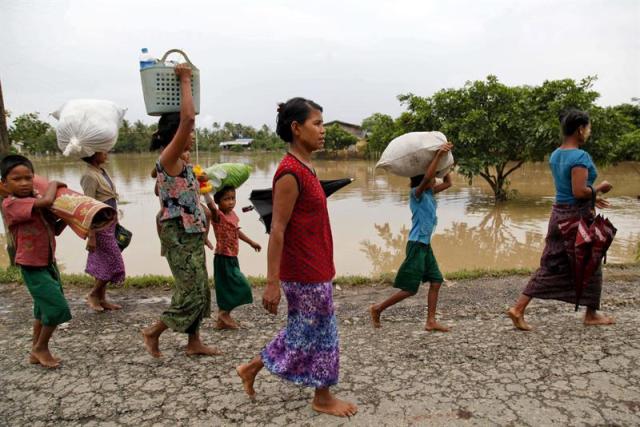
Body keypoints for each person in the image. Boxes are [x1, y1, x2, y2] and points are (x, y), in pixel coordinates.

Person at [235, 97, 357, 418]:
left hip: (315, 265)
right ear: (296, 127)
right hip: (303, 271)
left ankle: (250, 368)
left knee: (304, 330)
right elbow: (277, 229)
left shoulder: (306, 167)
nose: (323, 130)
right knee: (322, 332)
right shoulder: (289, 173)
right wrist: (271, 283)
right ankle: (322, 396)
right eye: (316, 123)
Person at [507, 109, 615, 330]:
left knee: (554, 264)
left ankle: (520, 308)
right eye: (588, 127)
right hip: (575, 219)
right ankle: (589, 314)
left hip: (559, 214)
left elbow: (568, 190)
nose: (589, 131)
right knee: (591, 262)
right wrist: (600, 188)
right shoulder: (579, 157)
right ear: (579, 129)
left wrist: (593, 198)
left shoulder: (556, 154)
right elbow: (578, 192)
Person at [141, 63, 219, 357]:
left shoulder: (179, 164)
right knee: (189, 292)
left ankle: (193, 342)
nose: (193, 134)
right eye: (191, 131)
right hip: (179, 234)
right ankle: (153, 331)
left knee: (200, 289)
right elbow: (187, 118)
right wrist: (185, 80)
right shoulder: (170, 157)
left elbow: (158, 187)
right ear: (176, 134)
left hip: (192, 232)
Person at [369, 144, 453, 332]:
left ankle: (431, 321)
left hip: (425, 245)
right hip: (416, 244)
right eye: (431, 179)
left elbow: (448, 183)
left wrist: (447, 165)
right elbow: (428, 177)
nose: (434, 181)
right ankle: (377, 308)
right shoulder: (417, 194)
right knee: (410, 289)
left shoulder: (430, 194)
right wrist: (438, 156)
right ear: (423, 182)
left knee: (436, 281)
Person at [1, 155, 70, 368]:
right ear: (4, 184)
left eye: (28, 178)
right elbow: (47, 200)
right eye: (16, 179)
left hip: (48, 262)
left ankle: (35, 352)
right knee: (57, 308)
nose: (23, 183)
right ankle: (40, 348)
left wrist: (71, 216)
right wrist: (53, 185)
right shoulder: (11, 204)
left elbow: (55, 229)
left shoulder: (36, 203)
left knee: (42, 309)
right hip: (32, 266)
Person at [203, 185, 261, 329]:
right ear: (218, 201)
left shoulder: (233, 214)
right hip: (222, 257)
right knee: (241, 285)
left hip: (233, 256)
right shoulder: (218, 215)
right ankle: (223, 315)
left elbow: (236, 232)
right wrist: (205, 190)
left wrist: (251, 242)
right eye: (226, 199)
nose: (230, 202)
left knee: (229, 287)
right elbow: (210, 205)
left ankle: (223, 317)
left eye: (233, 198)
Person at [80, 152, 125, 311]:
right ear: (93, 153)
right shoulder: (89, 176)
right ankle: (93, 294)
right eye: (103, 151)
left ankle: (102, 299)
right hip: (99, 226)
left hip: (110, 222)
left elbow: (109, 198)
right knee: (114, 261)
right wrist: (91, 234)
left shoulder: (101, 171)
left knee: (103, 261)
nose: (107, 153)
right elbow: (88, 205)